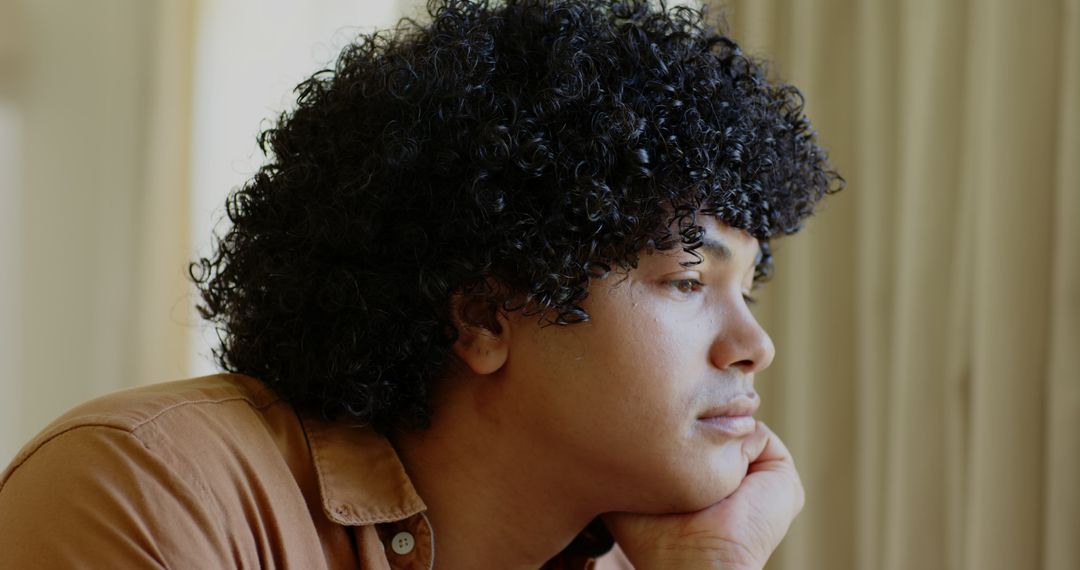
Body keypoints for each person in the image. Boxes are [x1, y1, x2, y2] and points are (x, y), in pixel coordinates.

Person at [0, 0, 840, 567]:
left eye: (748, 290)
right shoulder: (149, 486)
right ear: (481, 318)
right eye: (687, 280)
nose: (754, 346)